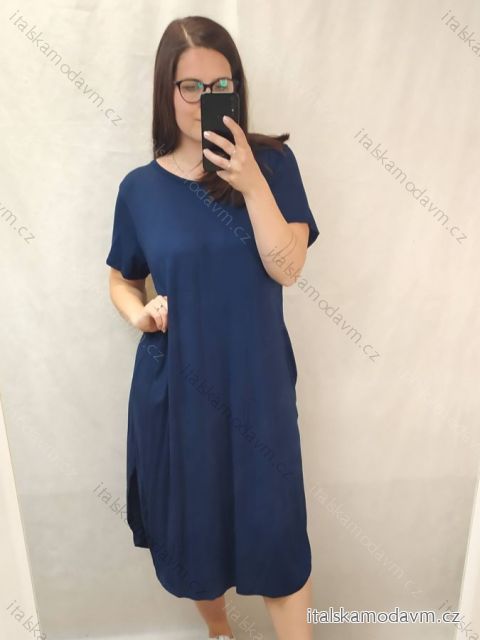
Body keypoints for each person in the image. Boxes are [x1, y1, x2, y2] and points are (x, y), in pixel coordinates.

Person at [106, 15, 319, 640]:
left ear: (237, 88)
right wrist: (139, 313)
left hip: (259, 387)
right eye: (190, 86)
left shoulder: (272, 164)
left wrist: (250, 183)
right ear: (165, 91)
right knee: (197, 538)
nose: (204, 100)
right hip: (178, 391)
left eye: (220, 85)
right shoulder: (140, 190)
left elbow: (288, 268)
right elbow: (121, 278)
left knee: (278, 537)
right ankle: (220, 633)